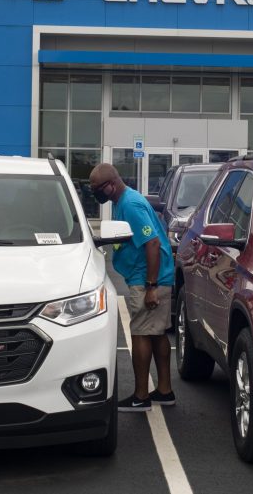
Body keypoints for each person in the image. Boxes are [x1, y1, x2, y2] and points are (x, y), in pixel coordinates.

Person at [89, 163, 175, 412]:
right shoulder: (122, 201)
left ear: (111, 185)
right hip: (150, 277)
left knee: (140, 333)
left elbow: (152, 244)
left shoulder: (130, 204)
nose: (96, 194)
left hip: (148, 279)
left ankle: (141, 396)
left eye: (98, 189)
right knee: (156, 333)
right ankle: (164, 391)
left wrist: (150, 286)